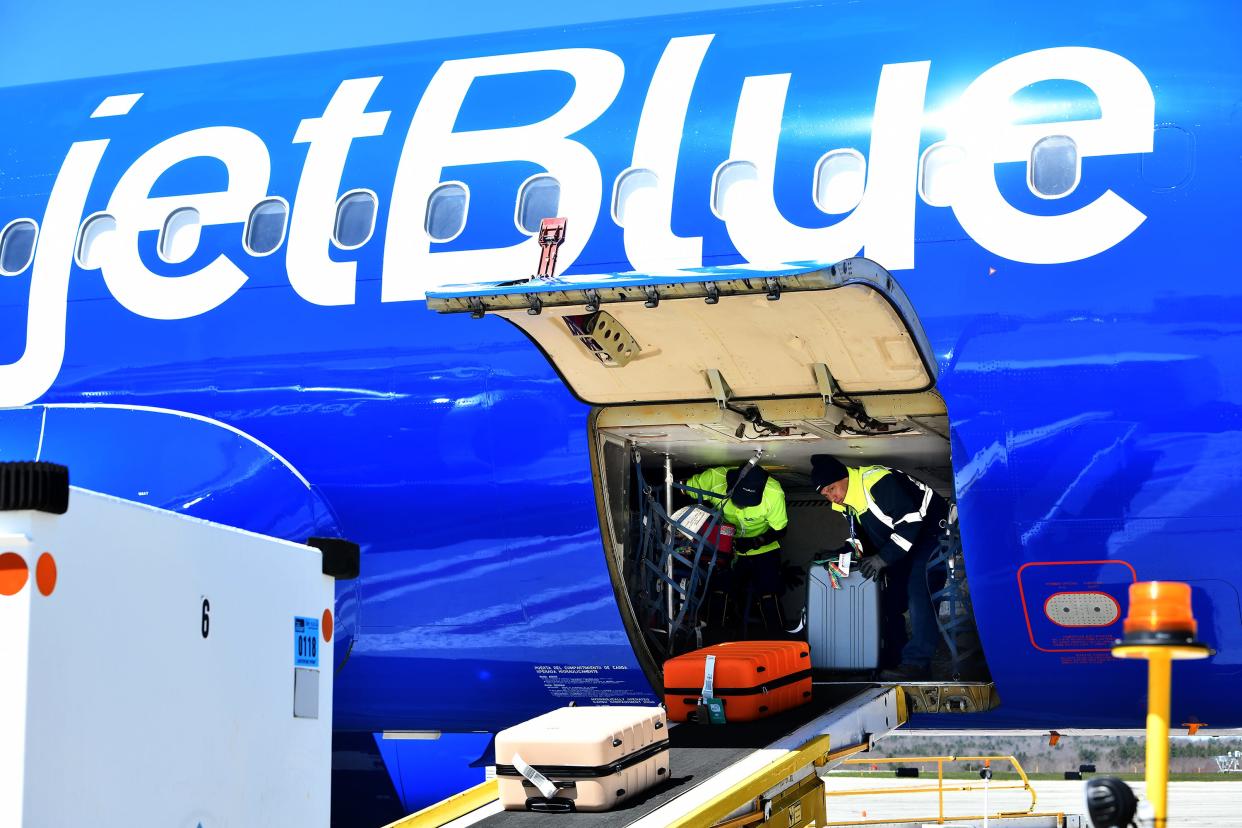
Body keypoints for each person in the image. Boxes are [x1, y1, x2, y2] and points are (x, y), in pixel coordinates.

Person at [810, 454, 949, 681]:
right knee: (889, 601)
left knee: (918, 592)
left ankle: (917, 664)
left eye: (831, 488)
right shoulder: (846, 503)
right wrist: (841, 552)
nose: (831, 497)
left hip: (931, 534)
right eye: (825, 494)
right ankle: (894, 661)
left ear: (844, 477)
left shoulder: (875, 481)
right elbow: (862, 538)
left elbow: (911, 522)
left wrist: (882, 559)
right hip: (903, 543)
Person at [684, 462, 788, 636]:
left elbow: (781, 530)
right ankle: (714, 639)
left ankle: (779, 641)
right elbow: (679, 489)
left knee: (768, 592)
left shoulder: (774, 493)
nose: (744, 507)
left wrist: (757, 541)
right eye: (740, 502)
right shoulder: (713, 480)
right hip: (726, 547)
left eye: (749, 504)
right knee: (719, 588)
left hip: (763, 548)